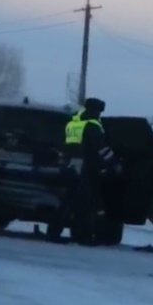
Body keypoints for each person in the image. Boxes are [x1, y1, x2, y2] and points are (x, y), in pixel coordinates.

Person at [53, 97, 121, 245]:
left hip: (70, 167)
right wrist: (114, 164)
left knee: (67, 201)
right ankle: (83, 237)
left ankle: (53, 232)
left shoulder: (73, 123)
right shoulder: (92, 126)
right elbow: (102, 150)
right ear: (97, 111)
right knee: (87, 205)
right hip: (86, 169)